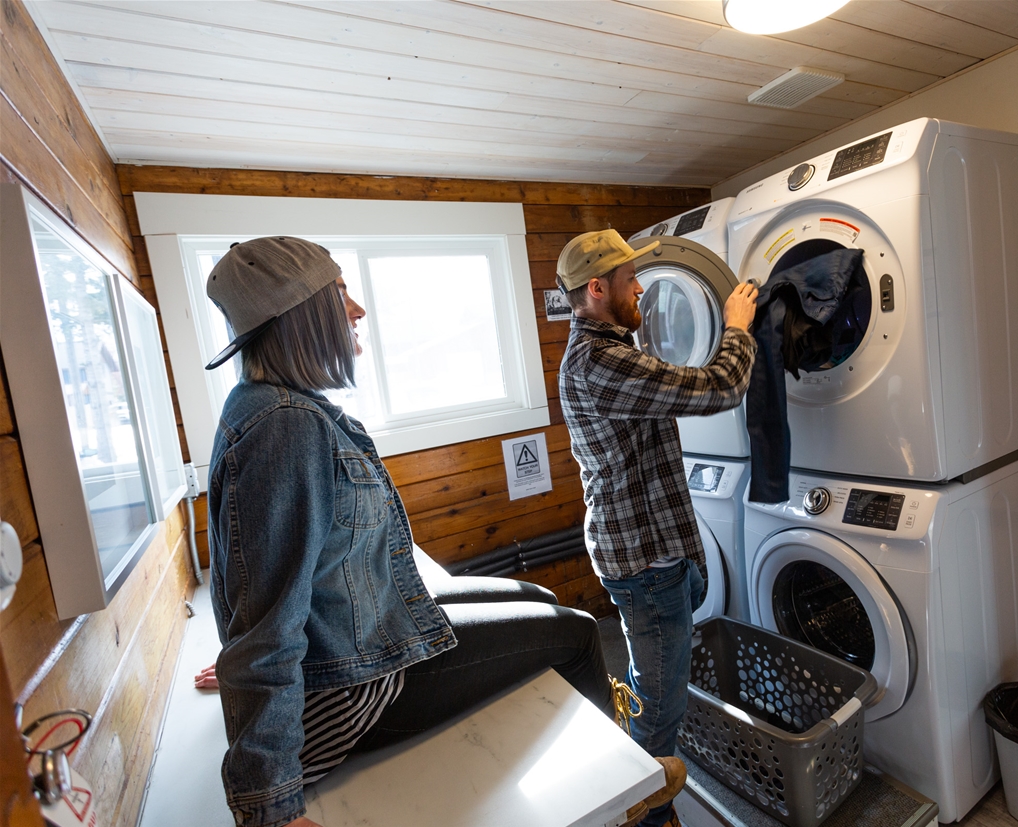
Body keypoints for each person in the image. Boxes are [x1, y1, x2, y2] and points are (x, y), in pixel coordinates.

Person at [201, 237, 677, 827]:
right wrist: (270, 807)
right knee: (578, 632)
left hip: (349, 642)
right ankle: (622, 797)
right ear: (303, 315)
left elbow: (251, 580)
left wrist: (237, 662)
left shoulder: (270, 406)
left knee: (536, 594)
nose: (358, 310)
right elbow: (264, 628)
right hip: (349, 692)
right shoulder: (286, 425)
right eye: (341, 294)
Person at [556, 230, 758, 827]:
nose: (641, 287)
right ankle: (643, 813)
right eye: (629, 280)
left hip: (647, 552)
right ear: (597, 289)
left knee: (652, 683)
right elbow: (721, 387)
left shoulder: (611, 349)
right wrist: (737, 327)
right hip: (644, 562)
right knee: (660, 705)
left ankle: (638, 788)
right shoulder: (601, 362)